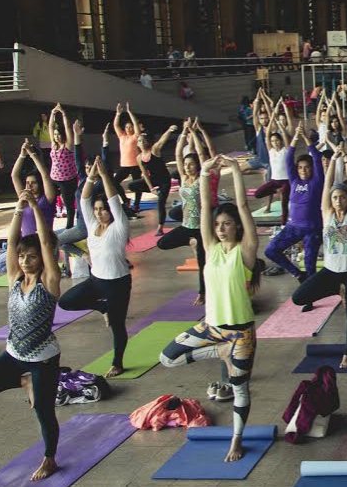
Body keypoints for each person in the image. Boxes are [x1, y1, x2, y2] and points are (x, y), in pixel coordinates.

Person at [160, 155, 261, 463]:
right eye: (218, 225)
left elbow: (243, 207)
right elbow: (204, 208)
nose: (220, 228)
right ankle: (218, 353)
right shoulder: (210, 248)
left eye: (226, 224)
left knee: (239, 390)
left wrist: (233, 171)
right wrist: (204, 174)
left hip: (240, 332)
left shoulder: (245, 253)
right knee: (167, 358)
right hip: (212, 328)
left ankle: (236, 441)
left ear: (236, 228)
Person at [0, 188, 62, 481]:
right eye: (22, 257)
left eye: (32, 257)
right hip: (13, 355)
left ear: (42, 259)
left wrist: (34, 206)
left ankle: (50, 458)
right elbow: (13, 242)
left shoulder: (49, 283)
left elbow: (44, 241)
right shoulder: (14, 279)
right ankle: (21, 380)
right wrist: (18, 209)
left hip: (43, 359)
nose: (26, 260)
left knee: (43, 412)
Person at [292, 144, 347, 368]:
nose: (338, 201)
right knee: (298, 297)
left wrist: (346, 162)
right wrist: (333, 161)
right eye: (335, 198)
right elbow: (325, 185)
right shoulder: (327, 215)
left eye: (342, 197)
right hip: (332, 273)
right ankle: (336, 290)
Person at [57, 157, 132, 378]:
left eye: (103, 209)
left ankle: (117, 363)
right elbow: (84, 199)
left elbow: (114, 200)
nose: (99, 212)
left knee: (117, 327)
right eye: (97, 209)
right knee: (66, 301)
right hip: (96, 280)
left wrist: (105, 176)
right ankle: (102, 308)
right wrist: (91, 176)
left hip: (117, 283)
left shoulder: (119, 227)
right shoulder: (91, 225)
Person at [157, 122, 216, 305]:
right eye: (187, 164)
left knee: (202, 264)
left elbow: (201, 155)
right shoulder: (183, 178)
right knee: (162, 243)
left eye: (192, 165)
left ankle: (203, 293)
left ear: (198, 166)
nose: (189, 167)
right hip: (186, 225)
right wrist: (183, 134)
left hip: (200, 228)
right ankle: (190, 241)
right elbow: (177, 155)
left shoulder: (202, 179)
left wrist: (194, 133)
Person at [263, 129, 324, 281]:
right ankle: (298, 274)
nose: (303, 170)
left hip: (312, 229)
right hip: (293, 227)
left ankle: (309, 297)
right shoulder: (294, 181)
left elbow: (316, 158)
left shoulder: (316, 182)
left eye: (307, 167)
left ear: (312, 169)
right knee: (271, 251)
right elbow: (288, 159)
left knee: (310, 265)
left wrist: (305, 138)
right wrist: (295, 139)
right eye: (300, 167)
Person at [0, 141, 57, 274]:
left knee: (44, 273)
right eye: (27, 183)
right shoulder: (24, 198)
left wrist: (33, 155)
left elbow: (45, 175)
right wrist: (22, 155)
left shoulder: (47, 199)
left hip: (43, 243)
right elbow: (14, 176)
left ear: (40, 184)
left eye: (33, 183)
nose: (29, 186)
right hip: (25, 245)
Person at [130, 125, 179, 236]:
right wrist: (151, 188)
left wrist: (169, 130)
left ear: (147, 142)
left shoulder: (154, 150)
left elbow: (162, 141)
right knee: (132, 185)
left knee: (160, 203)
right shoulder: (139, 158)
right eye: (139, 141)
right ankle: (157, 192)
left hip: (164, 180)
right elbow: (146, 175)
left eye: (143, 140)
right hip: (154, 180)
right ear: (137, 144)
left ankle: (160, 228)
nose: (141, 142)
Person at [48, 106, 79, 229]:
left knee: (69, 204)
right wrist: (52, 113)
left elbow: (67, 128)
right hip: (54, 178)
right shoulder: (53, 145)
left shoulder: (68, 145)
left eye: (59, 134)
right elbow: (50, 127)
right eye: (55, 135)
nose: (56, 136)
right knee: (49, 200)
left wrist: (63, 114)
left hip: (67, 179)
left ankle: (69, 227)